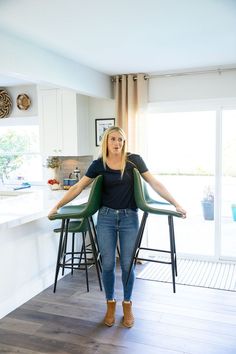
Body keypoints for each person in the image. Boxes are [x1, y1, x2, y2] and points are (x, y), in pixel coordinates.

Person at [48, 126, 186, 328]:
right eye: (113, 139)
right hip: (105, 219)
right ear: (106, 141)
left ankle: (128, 305)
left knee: (128, 265)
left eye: (120, 140)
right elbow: (78, 187)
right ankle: (110, 304)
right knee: (109, 265)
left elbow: (155, 183)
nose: (117, 143)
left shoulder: (134, 160)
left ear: (124, 142)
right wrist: (57, 206)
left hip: (129, 218)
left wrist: (176, 203)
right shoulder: (98, 164)